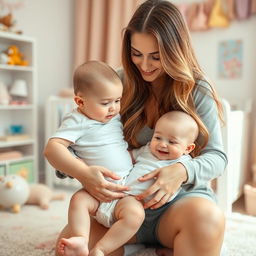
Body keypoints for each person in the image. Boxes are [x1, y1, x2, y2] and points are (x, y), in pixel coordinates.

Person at [53, 0, 228, 255]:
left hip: (176, 205)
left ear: (175, 50)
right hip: (118, 207)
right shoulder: (117, 83)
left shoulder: (197, 88)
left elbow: (218, 158)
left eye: (156, 56)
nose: (145, 65)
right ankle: (139, 245)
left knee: (208, 219)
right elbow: (74, 145)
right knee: (67, 247)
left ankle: (158, 241)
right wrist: (82, 170)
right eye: (137, 54)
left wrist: (181, 169)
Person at [57, 110, 198, 256]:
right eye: (158, 137)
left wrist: (184, 171)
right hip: (115, 191)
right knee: (79, 198)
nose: (162, 144)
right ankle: (81, 238)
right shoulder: (147, 150)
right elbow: (126, 157)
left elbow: (195, 174)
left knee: (134, 215)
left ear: (188, 148)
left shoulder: (183, 163)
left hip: (133, 201)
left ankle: (101, 249)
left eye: (172, 142)